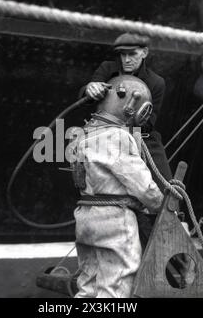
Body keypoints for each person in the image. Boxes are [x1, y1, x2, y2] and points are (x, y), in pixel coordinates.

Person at [69, 75, 164, 298]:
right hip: (114, 222)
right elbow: (142, 185)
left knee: (88, 286)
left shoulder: (81, 137)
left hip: (85, 219)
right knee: (117, 285)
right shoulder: (118, 136)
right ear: (131, 106)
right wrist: (161, 204)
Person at [81, 32, 172, 190]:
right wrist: (90, 89)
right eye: (123, 55)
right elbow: (87, 98)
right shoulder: (107, 69)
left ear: (144, 53)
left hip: (140, 135)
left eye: (132, 54)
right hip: (102, 131)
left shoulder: (156, 82)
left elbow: (149, 123)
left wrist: (128, 122)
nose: (127, 60)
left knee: (166, 186)